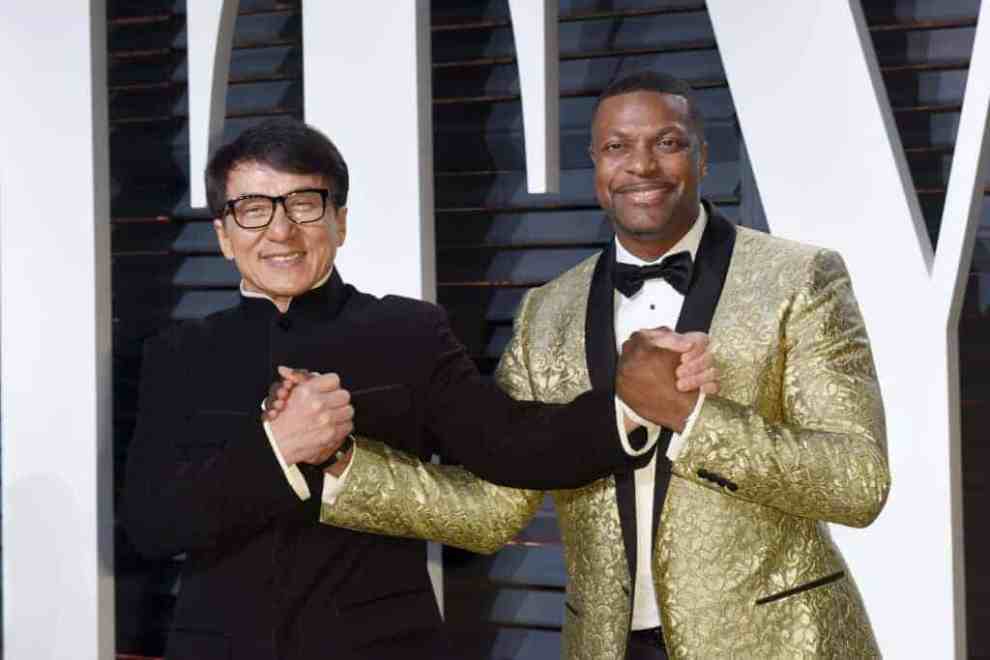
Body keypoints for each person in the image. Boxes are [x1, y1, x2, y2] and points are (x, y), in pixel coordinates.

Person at [299, 72, 891, 659]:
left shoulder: (800, 278)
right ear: (596, 165)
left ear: (702, 156)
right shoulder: (546, 311)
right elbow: (493, 507)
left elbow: (858, 482)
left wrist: (693, 416)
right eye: (618, 147)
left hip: (783, 645)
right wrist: (343, 464)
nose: (642, 166)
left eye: (667, 142)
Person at [121, 117, 717, 660]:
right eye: (253, 208)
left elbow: (510, 442)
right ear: (225, 235)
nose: (281, 229)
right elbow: (153, 524)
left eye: (304, 204)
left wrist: (633, 406)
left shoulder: (406, 331)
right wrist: (278, 446)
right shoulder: (178, 354)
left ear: (340, 221)